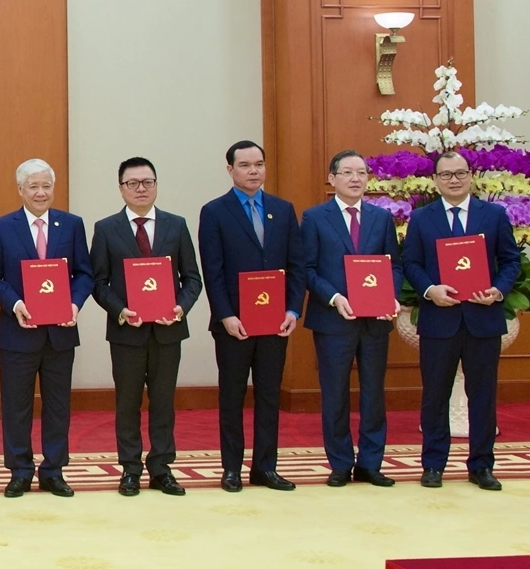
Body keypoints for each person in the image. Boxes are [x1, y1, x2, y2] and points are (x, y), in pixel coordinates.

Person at [403, 151, 521, 491]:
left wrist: (498, 290)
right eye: (445, 174)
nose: (453, 180)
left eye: (459, 173)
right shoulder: (421, 218)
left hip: (483, 319)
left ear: (471, 176)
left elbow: (510, 261)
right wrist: (430, 290)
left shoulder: (493, 215)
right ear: (435, 180)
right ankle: (433, 464)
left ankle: (481, 465)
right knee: (434, 395)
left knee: (482, 395)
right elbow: (410, 263)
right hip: (439, 320)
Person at [0, 159, 93, 499]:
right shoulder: (2, 227)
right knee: (17, 406)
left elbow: (84, 273)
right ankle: (19, 471)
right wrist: (15, 304)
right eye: (33, 186)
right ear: (20, 190)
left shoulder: (71, 225)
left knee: (58, 405)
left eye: (46, 186)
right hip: (17, 332)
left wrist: (74, 304)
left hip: (60, 332)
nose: (40, 192)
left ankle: (54, 471)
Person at [90, 157, 202, 497]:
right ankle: (130, 469)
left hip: (168, 331)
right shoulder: (106, 228)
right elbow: (98, 283)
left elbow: (192, 278)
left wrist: (180, 308)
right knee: (127, 403)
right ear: (121, 188)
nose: (141, 189)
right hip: (127, 332)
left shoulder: (175, 225)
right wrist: (120, 310)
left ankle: (162, 468)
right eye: (133, 183)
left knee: (163, 402)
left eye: (147, 182)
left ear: (156, 185)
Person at [197, 141, 305, 493]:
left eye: (259, 163)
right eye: (245, 165)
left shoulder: (283, 210)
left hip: (275, 323)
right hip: (234, 325)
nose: (254, 171)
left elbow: (296, 265)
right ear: (230, 170)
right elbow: (212, 271)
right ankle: (231, 468)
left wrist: (293, 309)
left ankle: (265, 468)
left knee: (269, 396)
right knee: (232, 397)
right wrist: (225, 315)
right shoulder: (214, 212)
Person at [302, 150, 402, 488]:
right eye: (347, 172)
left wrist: (391, 296)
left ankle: (371, 463)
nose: (355, 178)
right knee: (335, 394)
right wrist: (334, 298)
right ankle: (341, 463)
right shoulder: (314, 218)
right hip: (333, 320)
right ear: (332, 178)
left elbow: (394, 265)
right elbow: (307, 269)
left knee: (373, 393)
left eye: (361, 172)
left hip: (375, 320)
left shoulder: (381, 218)